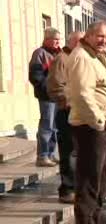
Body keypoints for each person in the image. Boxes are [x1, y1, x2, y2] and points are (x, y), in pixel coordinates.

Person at [66, 21, 106, 224]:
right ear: (88, 36)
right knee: (89, 178)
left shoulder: (99, 56)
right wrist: (99, 121)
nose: (104, 40)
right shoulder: (82, 57)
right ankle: (86, 219)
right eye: (100, 36)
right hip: (91, 127)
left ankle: (96, 215)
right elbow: (82, 94)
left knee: (101, 176)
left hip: (103, 127)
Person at [47, 31, 84, 203]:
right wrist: (69, 100)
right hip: (67, 111)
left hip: (78, 112)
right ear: (75, 42)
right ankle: (67, 189)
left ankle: (76, 187)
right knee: (68, 152)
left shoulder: (77, 58)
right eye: (82, 42)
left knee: (76, 151)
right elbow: (55, 86)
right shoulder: (62, 59)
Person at [29, 27, 61, 167]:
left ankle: (50, 154)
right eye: (55, 39)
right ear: (47, 39)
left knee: (54, 128)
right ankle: (42, 156)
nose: (57, 42)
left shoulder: (58, 54)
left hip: (58, 96)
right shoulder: (39, 53)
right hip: (47, 97)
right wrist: (46, 89)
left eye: (59, 40)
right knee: (46, 126)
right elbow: (35, 76)